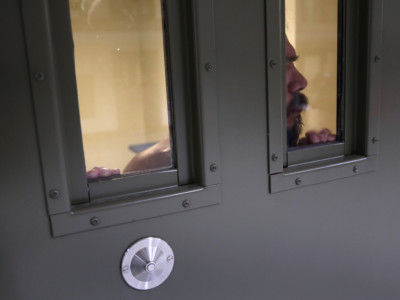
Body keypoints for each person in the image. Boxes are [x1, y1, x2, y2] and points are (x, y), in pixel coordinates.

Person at [87, 37, 335, 178]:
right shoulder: (160, 167)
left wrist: (309, 165)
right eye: (277, 66)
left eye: (291, 63)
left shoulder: (273, 145)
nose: (302, 82)